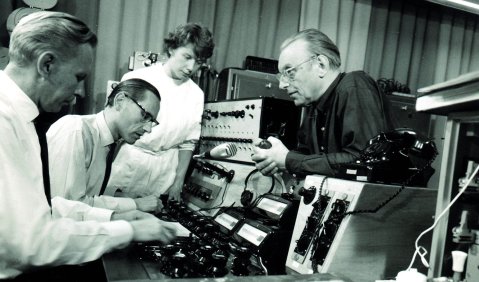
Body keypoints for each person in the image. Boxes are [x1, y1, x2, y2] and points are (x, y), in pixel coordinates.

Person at [0, 11, 177, 279]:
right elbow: (31, 242)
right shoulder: (5, 119)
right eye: (78, 77)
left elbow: (48, 208)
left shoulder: (21, 117)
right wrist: (125, 230)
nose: (80, 93)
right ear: (46, 64)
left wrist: (117, 218)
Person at [252, 29, 393, 177]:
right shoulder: (314, 106)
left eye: (289, 72)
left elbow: (365, 162)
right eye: (281, 75)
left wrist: (288, 160)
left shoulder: (354, 86)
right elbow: (307, 156)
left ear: (321, 65)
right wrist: (274, 159)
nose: (282, 85)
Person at [106, 23, 215, 201]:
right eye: (187, 57)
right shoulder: (137, 78)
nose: (191, 67)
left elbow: (188, 143)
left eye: (199, 63)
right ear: (172, 48)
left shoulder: (196, 94)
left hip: (165, 173)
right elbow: (112, 131)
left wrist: (178, 181)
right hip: (129, 164)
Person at [47, 79, 162, 215]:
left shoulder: (107, 140)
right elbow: (68, 207)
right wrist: (134, 204)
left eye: (152, 121)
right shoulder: (76, 130)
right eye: (145, 116)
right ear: (120, 101)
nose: (148, 129)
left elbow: (86, 189)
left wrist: (120, 195)